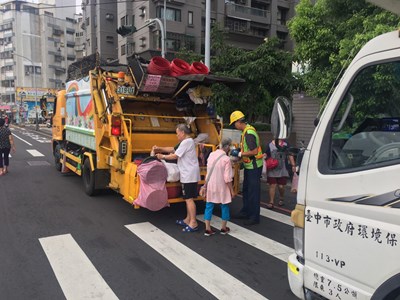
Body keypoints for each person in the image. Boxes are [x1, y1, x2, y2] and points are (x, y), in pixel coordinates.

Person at [155, 123, 200, 232]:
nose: (177, 136)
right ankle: (187, 219)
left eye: (177, 133)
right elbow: (173, 149)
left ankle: (193, 222)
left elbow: (175, 155)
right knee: (188, 198)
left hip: (188, 174)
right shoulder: (187, 142)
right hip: (190, 173)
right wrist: (159, 148)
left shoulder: (186, 142)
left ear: (182, 132)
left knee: (189, 199)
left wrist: (162, 156)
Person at [229, 111, 263, 225]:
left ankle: (254, 217)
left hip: (254, 167)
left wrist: (239, 154)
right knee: (247, 191)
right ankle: (245, 212)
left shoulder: (249, 133)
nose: (234, 126)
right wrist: (240, 152)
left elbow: (253, 151)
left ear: (239, 122)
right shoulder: (246, 131)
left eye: (234, 123)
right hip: (249, 166)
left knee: (253, 192)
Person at [203, 137, 234, 236]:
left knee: (209, 206)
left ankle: (207, 229)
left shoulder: (211, 154)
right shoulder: (226, 159)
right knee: (224, 206)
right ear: (227, 147)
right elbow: (227, 178)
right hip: (222, 186)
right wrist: (232, 191)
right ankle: (223, 228)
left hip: (211, 184)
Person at [265, 139, 296, 208]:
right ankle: (271, 202)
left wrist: (293, 165)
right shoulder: (269, 144)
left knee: (281, 186)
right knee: (272, 185)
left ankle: (281, 198)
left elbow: (290, 155)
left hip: (282, 168)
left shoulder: (286, 144)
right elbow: (266, 155)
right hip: (272, 168)